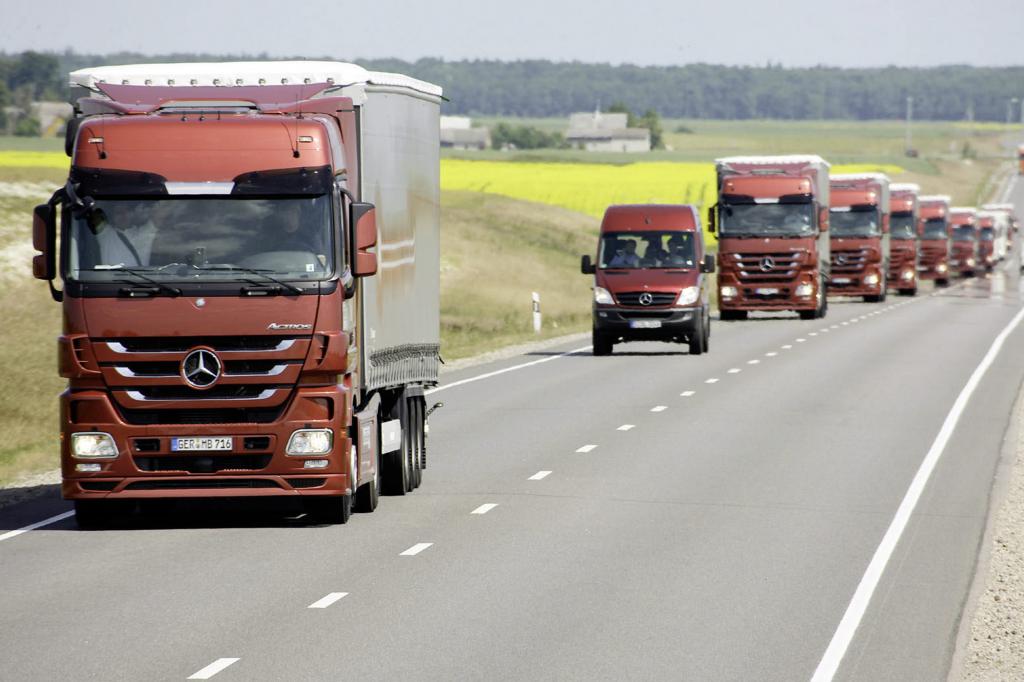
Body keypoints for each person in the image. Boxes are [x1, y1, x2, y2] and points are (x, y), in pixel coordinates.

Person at [88, 201, 158, 267]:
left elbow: (161, 213)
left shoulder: (143, 234)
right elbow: (93, 209)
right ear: (112, 216)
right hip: (108, 279)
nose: (123, 215)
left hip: (142, 279)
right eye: (118, 212)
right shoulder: (106, 234)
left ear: (132, 214)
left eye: (127, 211)